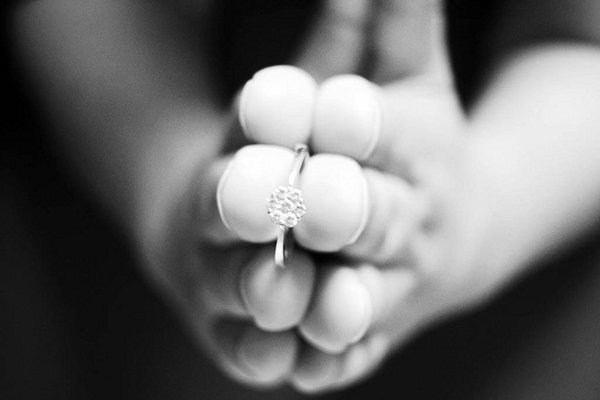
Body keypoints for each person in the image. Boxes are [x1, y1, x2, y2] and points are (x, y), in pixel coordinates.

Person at [8, 0, 600, 396]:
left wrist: (478, 211)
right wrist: (166, 175)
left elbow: (581, 42)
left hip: (525, 330)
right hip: (105, 275)